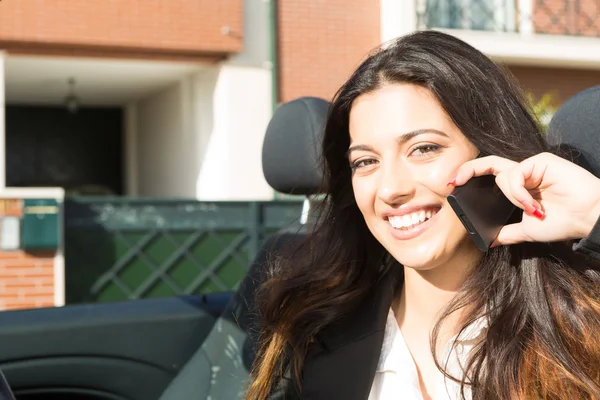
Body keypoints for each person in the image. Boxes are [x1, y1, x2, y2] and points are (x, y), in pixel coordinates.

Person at [246, 31, 600, 400]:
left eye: (424, 148)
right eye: (365, 162)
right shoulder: (312, 336)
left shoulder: (578, 331)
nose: (390, 189)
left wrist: (594, 212)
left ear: (490, 153)